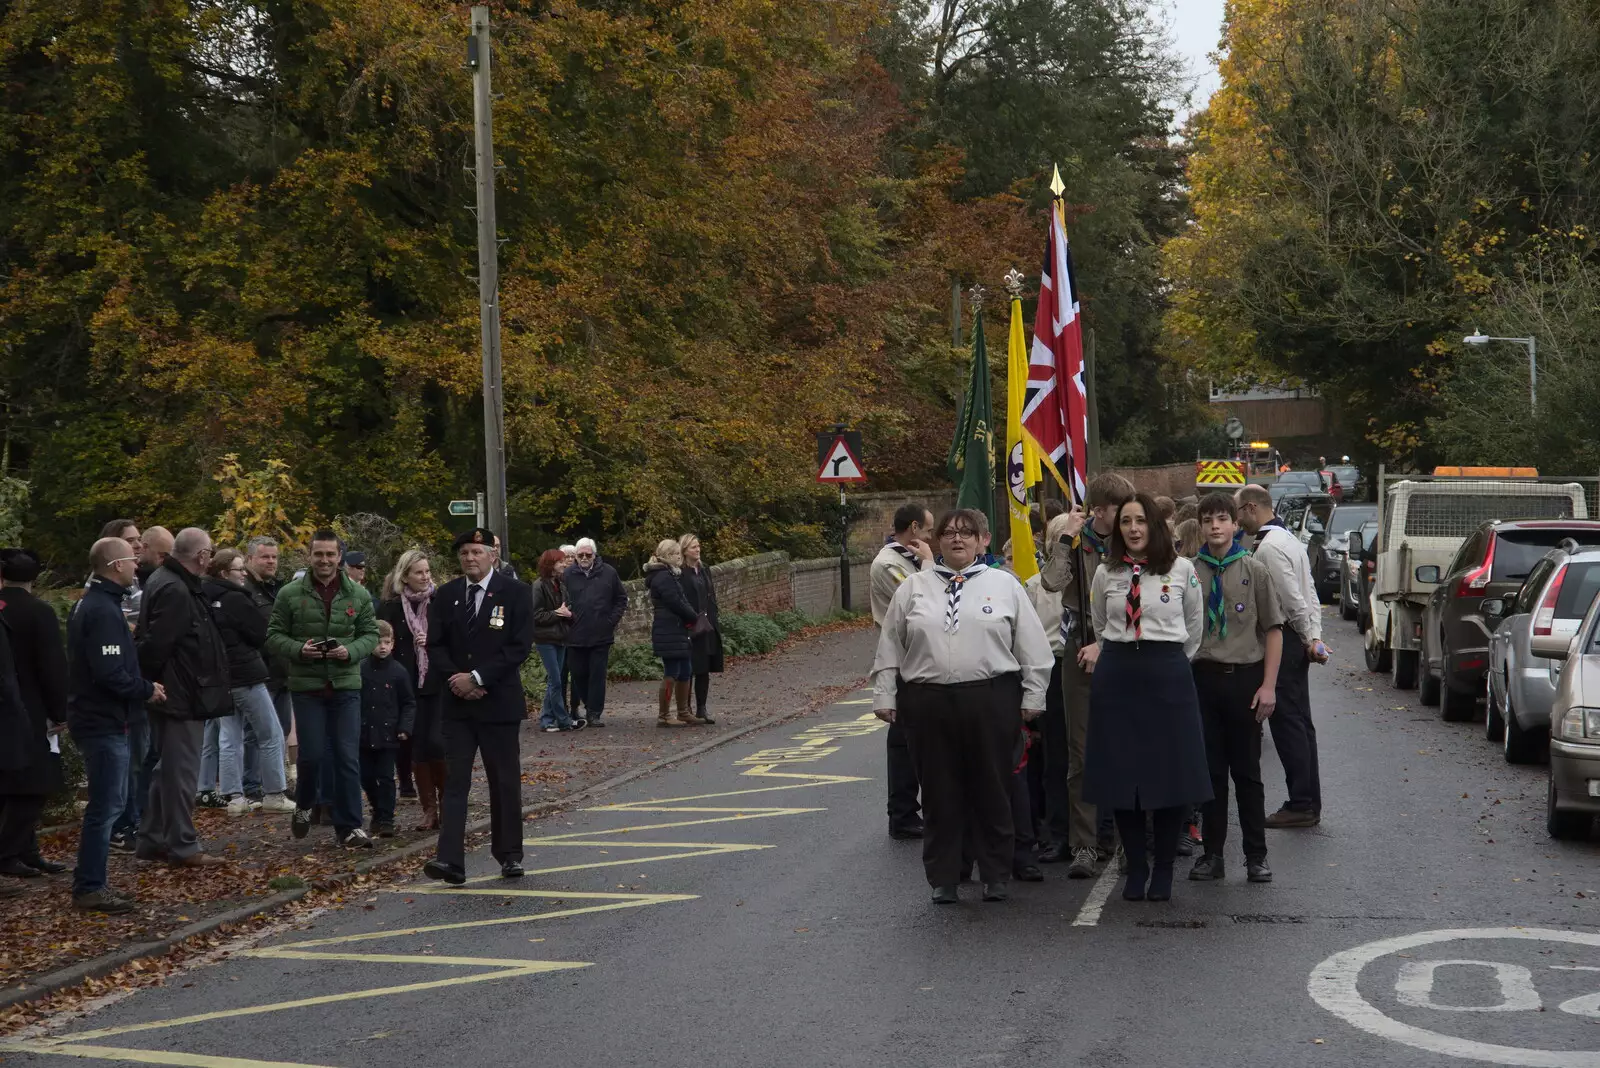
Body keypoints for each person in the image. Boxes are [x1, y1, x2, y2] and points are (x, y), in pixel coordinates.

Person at [871, 508, 1053, 905]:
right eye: (949, 533)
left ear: (983, 541)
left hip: (990, 698)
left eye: (967, 533)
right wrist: (885, 694)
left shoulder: (1004, 585)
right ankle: (945, 875)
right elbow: (890, 644)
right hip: (927, 701)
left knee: (992, 788)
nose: (958, 539)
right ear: (937, 540)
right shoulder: (914, 588)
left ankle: (995, 874)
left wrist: (1033, 696)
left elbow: (1033, 647)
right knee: (939, 791)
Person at [1082, 493, 1210, 904]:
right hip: (1118, 674)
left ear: (1155, 525)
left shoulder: (1181, 569)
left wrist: (1166, 661)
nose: (1133, 529)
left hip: (1167, 674)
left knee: (1170, 778)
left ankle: (1165, 869)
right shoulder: (1106, 572)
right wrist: (1124, 657)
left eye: (1140, 521)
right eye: (1126, 522)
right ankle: (1136, 868)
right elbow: (1101, 625)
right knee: (1124, 779)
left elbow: (1194, 625)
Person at [422, 528, 535, 885]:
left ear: (492, 556)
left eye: (476, 552)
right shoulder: (447, 595)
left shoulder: (515, 593)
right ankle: (450, 860)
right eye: (465, 553)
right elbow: (435, 645)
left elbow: (518, 647)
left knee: (503, 781)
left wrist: (479, 677)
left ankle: (509, 854)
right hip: (458, 704)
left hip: (498, 702)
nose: (470, 558)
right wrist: (458, 679)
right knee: (455, 782)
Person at [1038, 472, 1136, 878]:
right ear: (1097, 508)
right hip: (1079, 645)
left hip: (1126, 648)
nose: (1122, 516)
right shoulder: (1076, 542)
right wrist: (1066, 540)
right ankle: (1084, 845)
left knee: (1128, 748)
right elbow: (1050, 582)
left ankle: (1131, 841)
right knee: (1080, 753)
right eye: (1113, 508)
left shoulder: (1134, 542)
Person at [1189, 492, 1283, 885]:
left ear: (1234, 524)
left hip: (1243, 679)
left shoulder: (1254, 569)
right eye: (1208, 519)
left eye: (1222, 519)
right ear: (1201, 525)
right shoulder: (1188, 571)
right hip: (1201, 678)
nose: (1215, 526)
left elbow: (1274, 629)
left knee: (1247, 774)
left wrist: (1269, 686)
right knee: (1209, 774)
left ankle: (1256, 856)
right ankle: (1212, 855)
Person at [267, 529, 381, 848]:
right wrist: (298, 649)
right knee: (312, 756)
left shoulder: (358, 594)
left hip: (345, 686)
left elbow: (370, 634)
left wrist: (352, 651)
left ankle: (350, 826)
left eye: (330, 554)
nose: (325, 560)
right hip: (307, 687)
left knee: (347, 757)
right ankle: (304, 805)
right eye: (319, 554)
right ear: (309, 555)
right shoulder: (290, 594)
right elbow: (273, 635)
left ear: (339, 557)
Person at [69, 538, 162, 912]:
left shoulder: (91, 604)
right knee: (107, 806)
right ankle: (90, 885)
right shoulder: (102, 611)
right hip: (103, 720)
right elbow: (110, 673)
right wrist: (146, 690)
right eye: (132, 559)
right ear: (116, 565)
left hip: (101, 716)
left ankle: (92, 882)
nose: (137, 565)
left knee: (109, 803)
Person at [136, 527, 232, 867]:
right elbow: (157, 645)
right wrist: (153, 682)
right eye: (210, 551)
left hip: (175, 690)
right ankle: (183, 845)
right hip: (182, 693)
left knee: (168, 771)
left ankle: (152, 838)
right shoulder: (177, 589)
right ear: (202, 556)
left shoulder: (164, 581)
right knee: (181, 772)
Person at [1236, 484, 1328, 828]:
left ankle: (1302, 803)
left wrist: (1306, 637)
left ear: (1249, 508)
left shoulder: (1269, 548)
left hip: (1286, 639)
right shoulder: (1289, 541)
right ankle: (1307, 800)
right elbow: (1311, 593)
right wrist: (1314, 636)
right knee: (1301, 723)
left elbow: (1292, 599)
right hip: (1297, 638)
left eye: (1237, 513)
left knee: (1288, 723)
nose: (1236, 521)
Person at [203, 549, 293, 817]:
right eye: (239, 569)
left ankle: (235, 796)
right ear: (223, 573)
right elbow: (260, 633)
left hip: (221, 678)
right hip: (246, 674)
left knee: (230, 738)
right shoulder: (236, 599)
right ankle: (275, 793)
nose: (244, 574)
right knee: (271, 733)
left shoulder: (204, 596)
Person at [869, 503, 935, 841]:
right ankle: (903, 814)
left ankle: (910, 810)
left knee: (913, 737)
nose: (931, 538)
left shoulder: (905, 560)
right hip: (902, 658)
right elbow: (919, 601)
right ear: (912, 528)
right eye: (927, 531)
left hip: (919, 657)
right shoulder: (887, 564)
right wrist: (928, 563)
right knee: (903, 740)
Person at [0, 549, 67, 878]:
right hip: (32, 705)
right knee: (34, 784)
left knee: (16, 782)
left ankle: (26, 851)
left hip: (12, 704)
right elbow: (51, 665)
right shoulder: (39, 612)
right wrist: (60, 709)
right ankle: (11, 850)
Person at [378, 550, 448, 830]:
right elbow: (383, 645)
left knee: (437, 743)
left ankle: (448, 805)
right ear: (404, 575)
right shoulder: (391, 607)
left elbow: (455, 637)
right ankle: (429, 810)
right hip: (407, 685)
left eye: (428, 571)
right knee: (418, 747)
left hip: (438, 682)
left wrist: (430, 640)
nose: (425, 577)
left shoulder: (440, 602)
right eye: (419, 572)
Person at [563, 537, 627, 727]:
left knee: (597, 675)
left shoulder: (608, 572)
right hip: (575, 634)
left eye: (587, 554)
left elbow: (621, 598)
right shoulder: (567, 574)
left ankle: (594, 712)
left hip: (601, 634)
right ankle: (588, 703)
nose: (584, 558)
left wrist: (611, 621)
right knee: (578, 673)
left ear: (594, 554)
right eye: (580, 555)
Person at [359, 620, 415, 837]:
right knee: (365, 776)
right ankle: (376, 808)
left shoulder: (398, 672)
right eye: (377, 642)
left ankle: (386, 818)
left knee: (385, 776)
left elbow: (408, 702)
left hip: (389, 733)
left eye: (386, 642)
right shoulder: (361, 669)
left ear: (393, 644)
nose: (382, 646)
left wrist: (404, 727)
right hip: (364, 732)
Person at [645, 539, 700, 728]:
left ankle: (683, 711)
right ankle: (664, 714)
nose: (680, 557)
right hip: (668, 629)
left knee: (685, 669)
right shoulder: (663, 577)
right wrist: (693, 616)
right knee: (672, 671)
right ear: (669, 556)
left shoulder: (670, 575)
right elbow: (676, 602)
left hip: (676, 629)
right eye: (677, 554)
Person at [530, 548, 581, 733]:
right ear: (551, 564)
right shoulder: (539, 586)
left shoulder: (561, 584)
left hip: (561, 637)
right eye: (560, 561)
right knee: (556, 680)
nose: (564, 564)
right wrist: (557, 614)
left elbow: (568, 609)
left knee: (555, 680)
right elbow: (535, 615)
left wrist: (568, 614)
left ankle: (546, 719)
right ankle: (564, 720)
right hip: (545, 639)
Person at [678, 534, 722, 724]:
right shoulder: (680, 573)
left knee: (704, 667)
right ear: (685, 550)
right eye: (693, 547)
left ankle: (701, 708)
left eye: (698, 546)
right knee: (689, 668)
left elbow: (710, 595)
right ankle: (685, 708)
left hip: (707, 624)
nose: (697, 550)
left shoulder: (704, 570)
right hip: (689, 625)